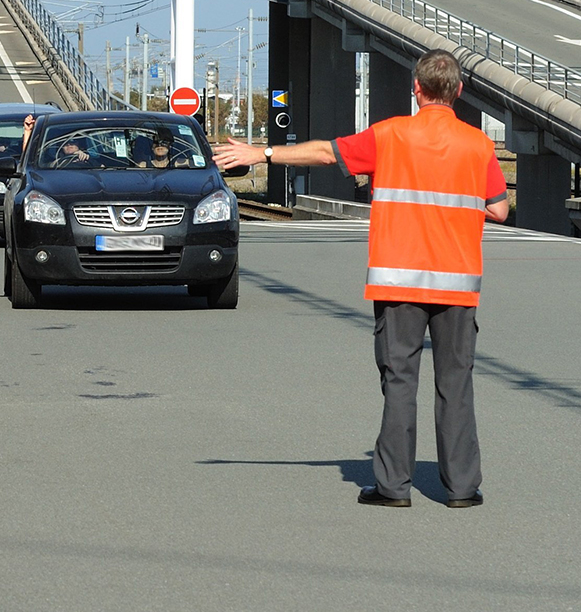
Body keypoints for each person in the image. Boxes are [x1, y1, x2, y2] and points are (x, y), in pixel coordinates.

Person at [213, 49, 509, 510]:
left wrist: (262, 152)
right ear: (459, 91)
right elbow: (499, 209)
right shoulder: (479, 145)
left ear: (416, 88)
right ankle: (462, 489)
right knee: (456, 385)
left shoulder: (389, 136)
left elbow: (325, 153)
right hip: (457, 283)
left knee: (399, 382)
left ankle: (393, 488)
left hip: (397, 283)